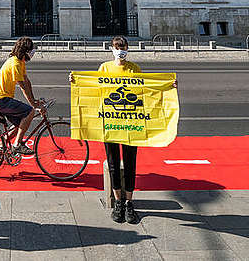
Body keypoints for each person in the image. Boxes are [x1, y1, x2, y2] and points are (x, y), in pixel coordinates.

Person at [69, 35, 177, 224]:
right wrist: (76, 81)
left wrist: (168, 86)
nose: (120, 50)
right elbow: (95, 90)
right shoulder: (104, 68)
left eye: (123, 47)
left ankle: (129, 202)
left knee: (130, 164)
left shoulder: (134, 69)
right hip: (110, 123)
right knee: (112, 164)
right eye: (117, 47)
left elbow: (145, 90)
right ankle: (118, 201)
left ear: (128, 49)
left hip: (131, 124)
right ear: (111, 49)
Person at [0, 36, 42, 155]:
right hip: (0, 99)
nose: (32, 53)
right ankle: (17, 145)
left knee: (21, 124)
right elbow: (22, 85)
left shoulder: (20, 62)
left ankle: (1, 145)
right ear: (26, 51)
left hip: (2, 98)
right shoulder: (15, 63)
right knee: (29, 112)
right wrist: (33, 105)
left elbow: (27, 82)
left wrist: (34, 100)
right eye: (31, 50)